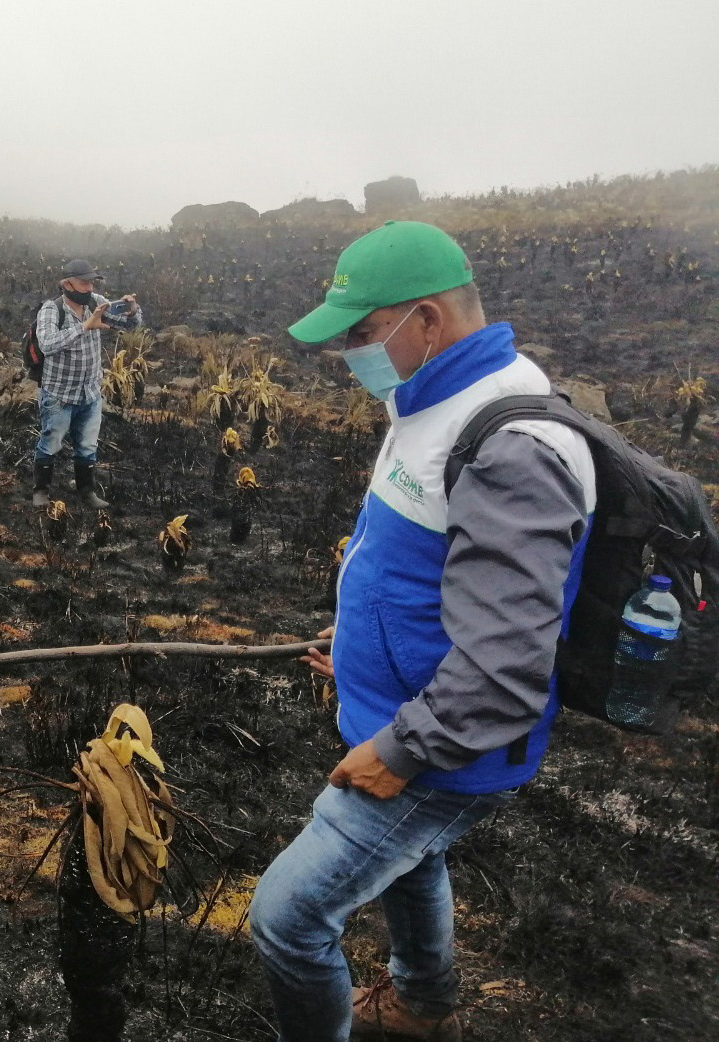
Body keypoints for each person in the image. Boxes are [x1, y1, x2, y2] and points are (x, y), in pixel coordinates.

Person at [248, 222, 596, 1042]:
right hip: (405, 707)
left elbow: (509, 662)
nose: (352, 357)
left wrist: (406, 747)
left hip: (444, 750)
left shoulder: (513, 448)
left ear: (429, 321)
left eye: (365, 335)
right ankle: (422, 1007)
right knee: (416, 861)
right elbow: (420, 568)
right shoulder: (435, 398)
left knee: (287, 919)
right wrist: (363, 650)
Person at [30, 259, 143, 509]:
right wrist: (85, 326)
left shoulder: (95, 302)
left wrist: (132, 310)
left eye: (92, 281)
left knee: (88, 444)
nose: (89, 287)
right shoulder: (52, 309)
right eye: (83, 282)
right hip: (59, 392)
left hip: (90, 392)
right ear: (66, 283)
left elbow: (129, 325)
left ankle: (86, 491)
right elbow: (47, 343)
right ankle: (41, 491)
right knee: (52, 440)